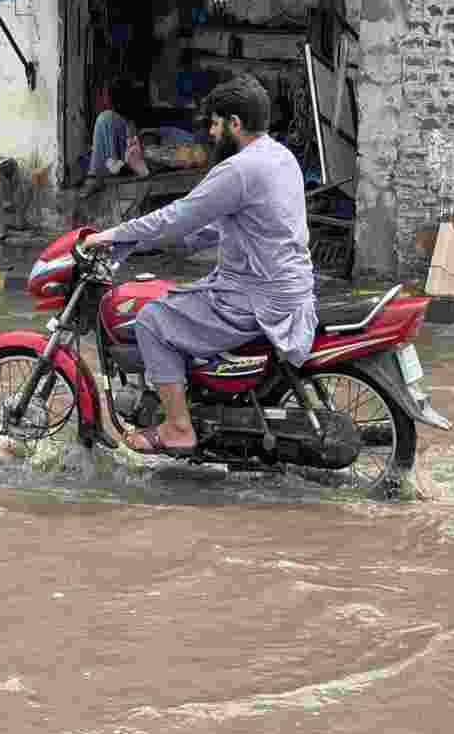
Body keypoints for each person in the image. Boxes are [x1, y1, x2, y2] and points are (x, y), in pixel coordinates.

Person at [83, 74, 317, 456]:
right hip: (284, 288)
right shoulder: (280, 157)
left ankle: (177, 427)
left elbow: (178, 215)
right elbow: (221, 226)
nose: (210, 132)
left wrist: (111, 236)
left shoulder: (239, 169)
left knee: (152, 320)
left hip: (254, 296)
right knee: (179, 297)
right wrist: (151, 243)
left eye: (215, 123)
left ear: (235, 125)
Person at [80, 78, 150, 197]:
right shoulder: (123, 122)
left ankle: (95, 178)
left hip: (114, 174)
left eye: (104, 94)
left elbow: (114, 164)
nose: (102, 98)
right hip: (123, 170)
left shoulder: (109, 118)